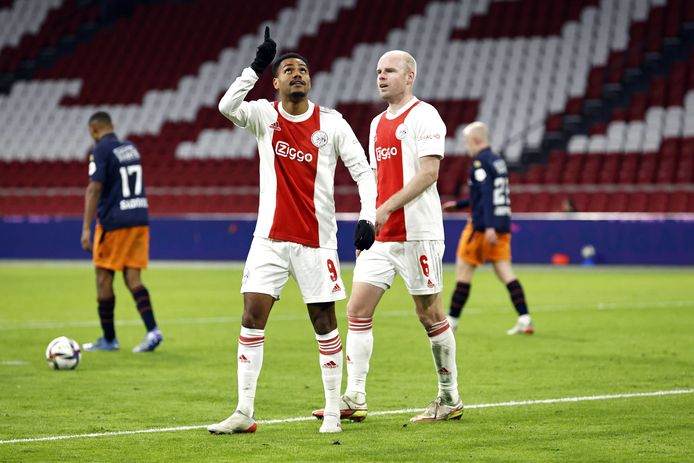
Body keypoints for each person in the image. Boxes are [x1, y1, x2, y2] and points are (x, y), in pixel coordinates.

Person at [207, 27, 376, 435]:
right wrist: (255, 66)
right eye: (288, 70)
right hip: (268, 240)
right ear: (277, 81)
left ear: (310, 80)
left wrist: (368, 215)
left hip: (316, 243)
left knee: (324, 323)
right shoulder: (264, 116)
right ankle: (244, 412)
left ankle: (334, 413)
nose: (297, 73)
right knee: (251, 315)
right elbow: (227, 107)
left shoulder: (331, 123)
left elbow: (363, 171)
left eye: (303, 69)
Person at [313, 50, 462, 423]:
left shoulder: (425, 116)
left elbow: (429, 174)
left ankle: (449, 398)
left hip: (418, 234)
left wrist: (383, 210)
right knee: (357, 310)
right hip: (382, 235)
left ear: (409, 76)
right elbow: (377, 180)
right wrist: (370, 216)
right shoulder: (377, 122)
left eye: (390, 71)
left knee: (429, 314)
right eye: (378, 71)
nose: (381, 77)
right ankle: (354, 397)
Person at [81, 111, 163, 353]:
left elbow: (94, 189)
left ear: (94, 128)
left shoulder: (101, 150)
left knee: (103, 277)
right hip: (139, 217)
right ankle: (153, 331)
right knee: (133, 278)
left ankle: (109, 339)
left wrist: (86, 227)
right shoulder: (131, 148)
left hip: (114, 223)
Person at [441, 122, 533, 335]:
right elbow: (483, 195)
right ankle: (525, 319)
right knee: (505, 272)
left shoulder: (480, 163)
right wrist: (460, 205)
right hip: (502, 224)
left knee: (463, 270)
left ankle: (452, 321)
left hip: (482, 227)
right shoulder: (497, 160)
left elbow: (486, 196)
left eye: (467, 143)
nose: (467, 148)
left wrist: (488, 226)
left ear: (475, 141)